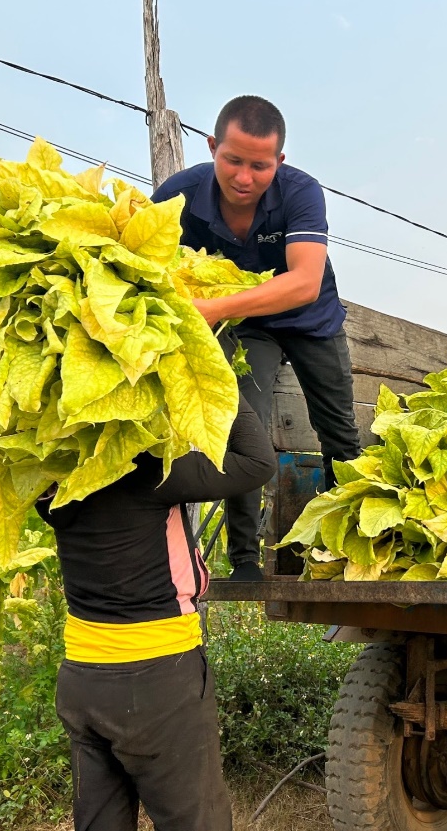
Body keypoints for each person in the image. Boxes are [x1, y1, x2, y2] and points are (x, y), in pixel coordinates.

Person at [37, 394, 277, 831]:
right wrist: (212, 366)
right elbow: (257, 462)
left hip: (83, 681)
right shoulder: (151, 471)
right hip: (159, 682)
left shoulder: (53, 484)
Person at [152, 95, 360, 581]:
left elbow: (304, 282)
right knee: (241, 429)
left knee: (340, 435)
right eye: (233, 160)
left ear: (279, 162)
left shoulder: (300, 192)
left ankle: (347, 550)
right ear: (212, 147)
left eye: (260, 166)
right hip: (249, 330)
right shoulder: (178, 195)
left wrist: (216, 308)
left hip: (311, 322)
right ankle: (246, 560)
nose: (244, 178)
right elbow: (144, 260)